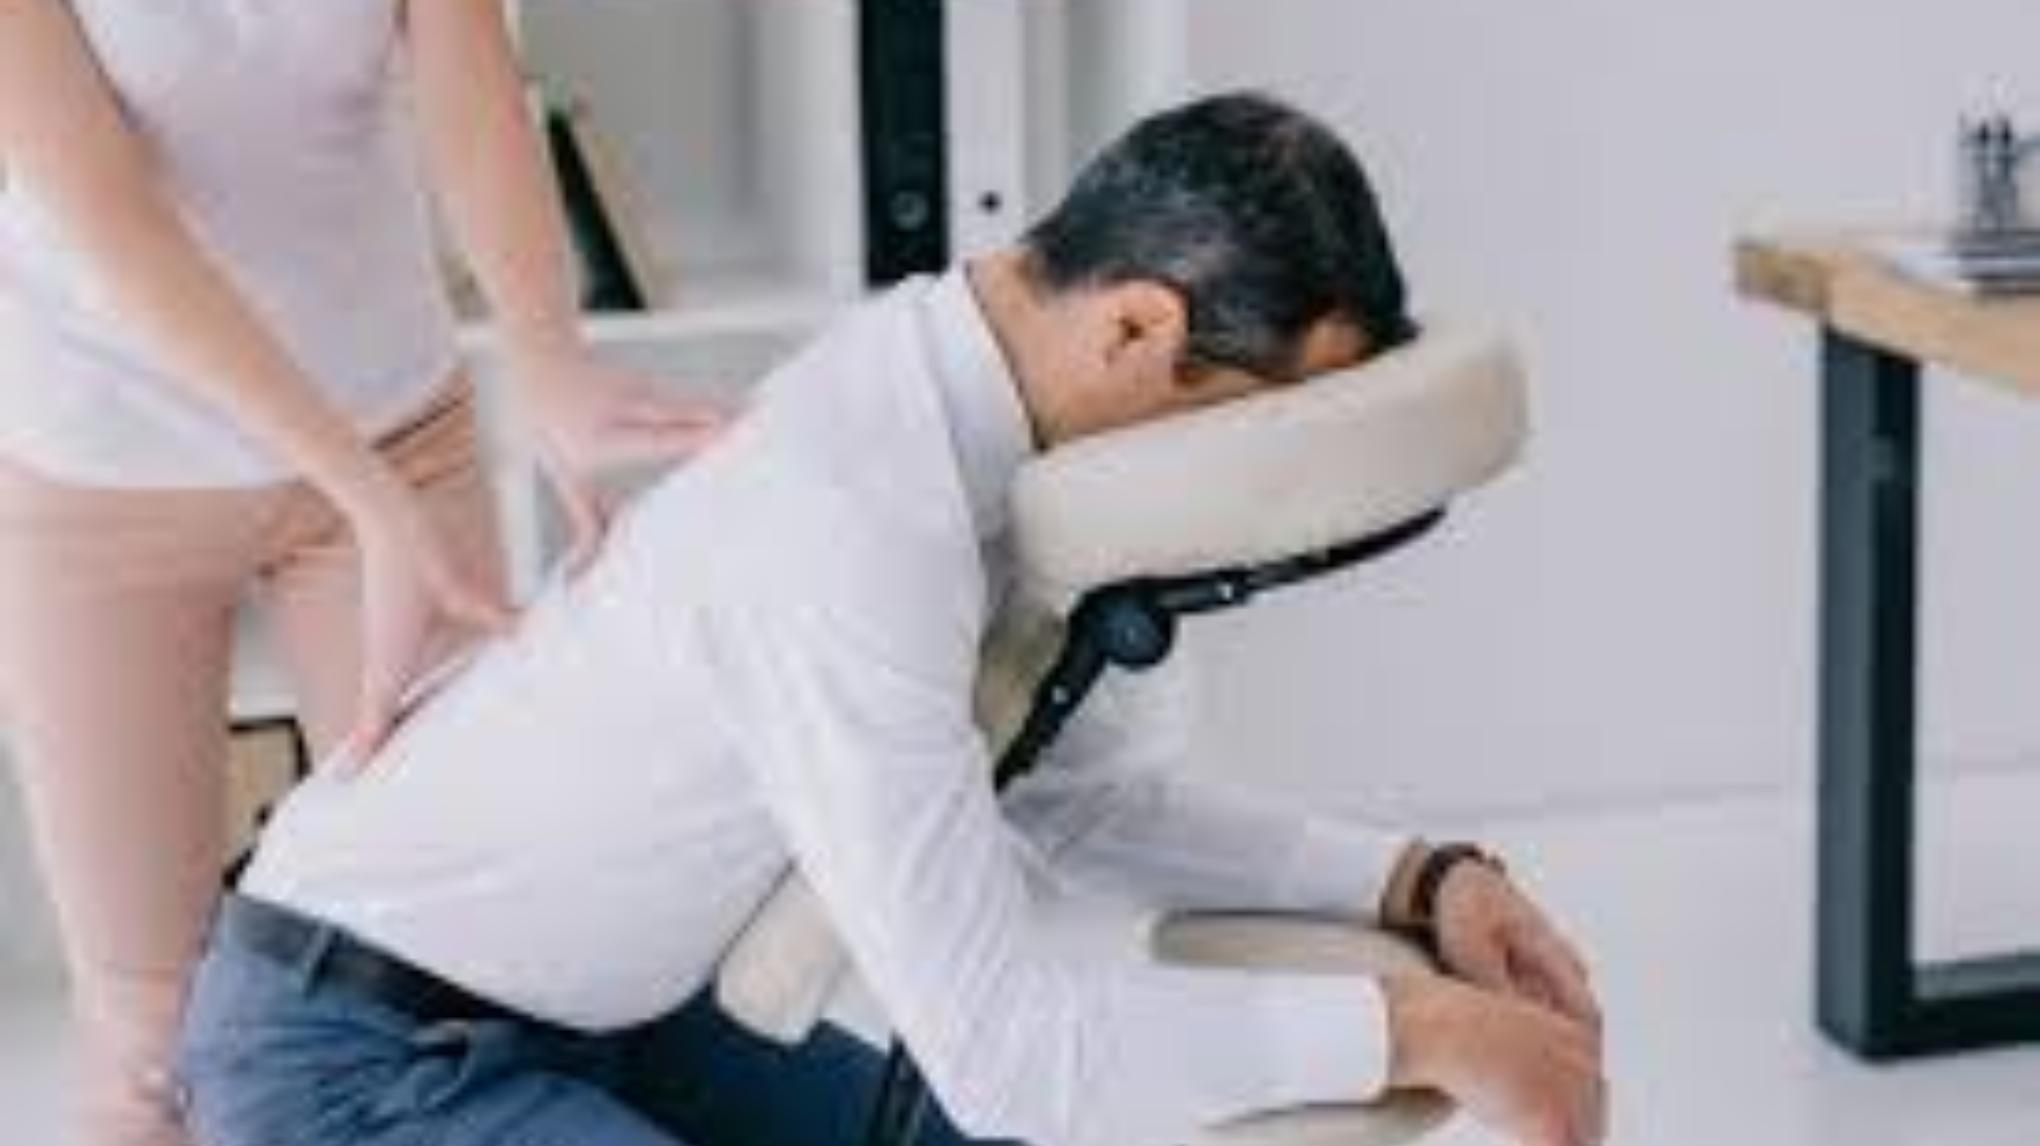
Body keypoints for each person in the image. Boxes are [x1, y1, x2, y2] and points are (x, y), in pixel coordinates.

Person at [177, 93, 1607, 1146]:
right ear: (1136, 331)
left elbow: (1061, 797)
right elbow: (1010, 1054)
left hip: (604, 1008)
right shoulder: (859, 517)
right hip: (359, 1056)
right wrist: (1419, 1029)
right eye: (1259, 421)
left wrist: (1413, 881)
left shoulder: (957, 426)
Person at [0, 4, 724, 1144]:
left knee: (468, 953)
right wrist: (364, 492)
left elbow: (473, 99)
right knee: (151, 1042)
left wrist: (547, 360)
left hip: (396, 423)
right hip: (106, 479)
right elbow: (110, 216)